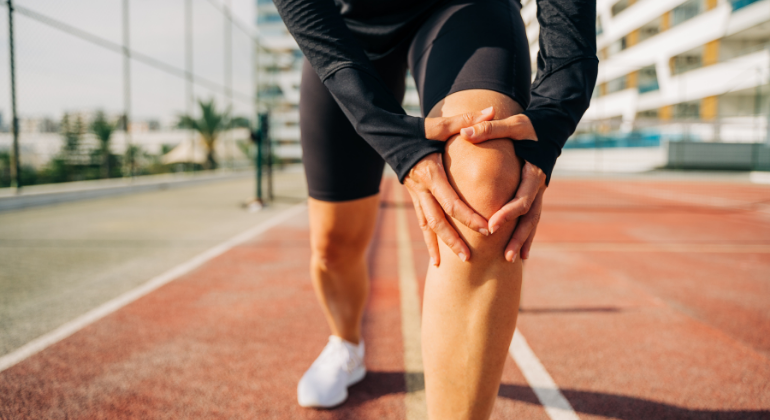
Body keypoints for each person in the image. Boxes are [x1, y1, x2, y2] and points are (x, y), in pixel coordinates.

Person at [273, 0, 598, 417]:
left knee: (485, 181)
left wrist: (557, 104)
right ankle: (346, 344)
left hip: (464, 9)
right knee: (333, 246)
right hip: (346, 22)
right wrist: (392, 136)